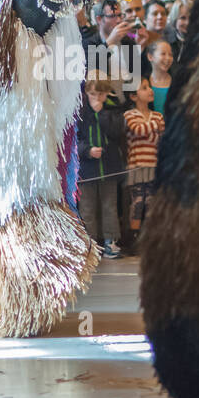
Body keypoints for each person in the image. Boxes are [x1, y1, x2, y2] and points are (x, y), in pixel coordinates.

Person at [77, 75, 126, 259]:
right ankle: (90, 242)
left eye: (100, 94)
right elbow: (75, 139)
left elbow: (116, 131)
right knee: (87, 207)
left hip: (109, 167)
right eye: (92, 94)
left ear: (107, 94)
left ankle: (110, 242)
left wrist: (101, 114)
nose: (95, 98)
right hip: (87, 169)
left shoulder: (113, 109)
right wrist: (87, 151)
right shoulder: (79, 111)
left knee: (109, 206)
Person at [123, 76, 164, 234]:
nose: (150, 90)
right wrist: (154, 127)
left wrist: (150, 129)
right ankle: (135, 235)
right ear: (133, 96)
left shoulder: (157, 115)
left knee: (151, 202)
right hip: (136, 167)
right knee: (138, 201)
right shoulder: (129, 115)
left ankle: (149, 236)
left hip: (153, 166)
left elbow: (159, 139)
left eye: (149, 87)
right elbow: (137, 130)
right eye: (144, 88)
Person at [146, 37, 174, 115]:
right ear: (150, 57)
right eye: (163, 54)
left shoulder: (178, 82)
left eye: (170, 55)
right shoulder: (143, 83)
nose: (168, 58)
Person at [164, 0, 189, 64]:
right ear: (174, 19)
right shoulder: (165, 40)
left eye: (192, 17)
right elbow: (137, 71)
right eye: (183, 18)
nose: (188, 23)